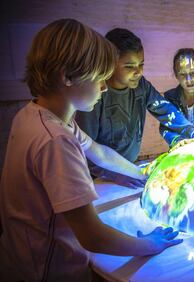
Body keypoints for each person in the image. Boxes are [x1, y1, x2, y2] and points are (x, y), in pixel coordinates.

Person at [0, 19, 182, 281]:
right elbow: (93, 236)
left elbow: (98, 151)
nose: (105, 87)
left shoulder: (37, 115)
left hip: (18, 258)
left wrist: (144, 176)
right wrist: (150, 244)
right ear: (67, 77)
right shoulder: (55, 140)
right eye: (99, 78)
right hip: (48, 271)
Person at [76, 29, 194, 189]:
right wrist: (114, 175)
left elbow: (165, 110)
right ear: (110, 64)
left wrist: (190, 132)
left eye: (141, 64)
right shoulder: (95, 95)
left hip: (130, 169)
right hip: (100, 177)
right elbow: (86, 151)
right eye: (129, 66)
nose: (138, 72)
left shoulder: (142, 86)